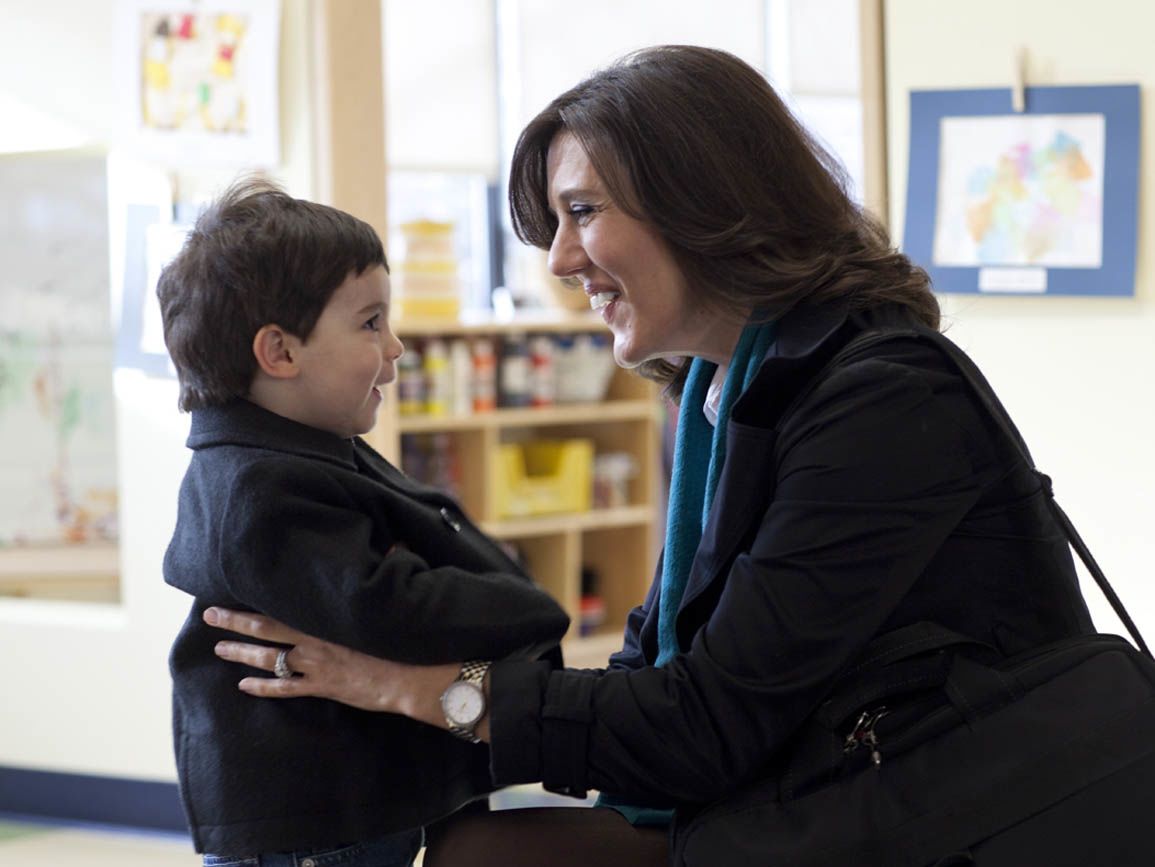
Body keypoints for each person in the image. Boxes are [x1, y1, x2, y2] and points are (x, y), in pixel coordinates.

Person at [203, 46, 1104, 865]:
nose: (559, 260)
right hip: (807, 799)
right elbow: (651, 674)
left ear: (703, 200)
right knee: (460, 847)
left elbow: (702, 724)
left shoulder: (884, 401)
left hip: (939, 821)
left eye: (582, 213)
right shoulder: (717, 400)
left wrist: (417, 690)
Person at [157, 178, 569, 866]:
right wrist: (524, 607)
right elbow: (393, 607)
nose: (397, 347)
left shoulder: (308, 454)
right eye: (371, 322)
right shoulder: (260, 487)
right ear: (280, 353)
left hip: (353, 812)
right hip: (315, 832)